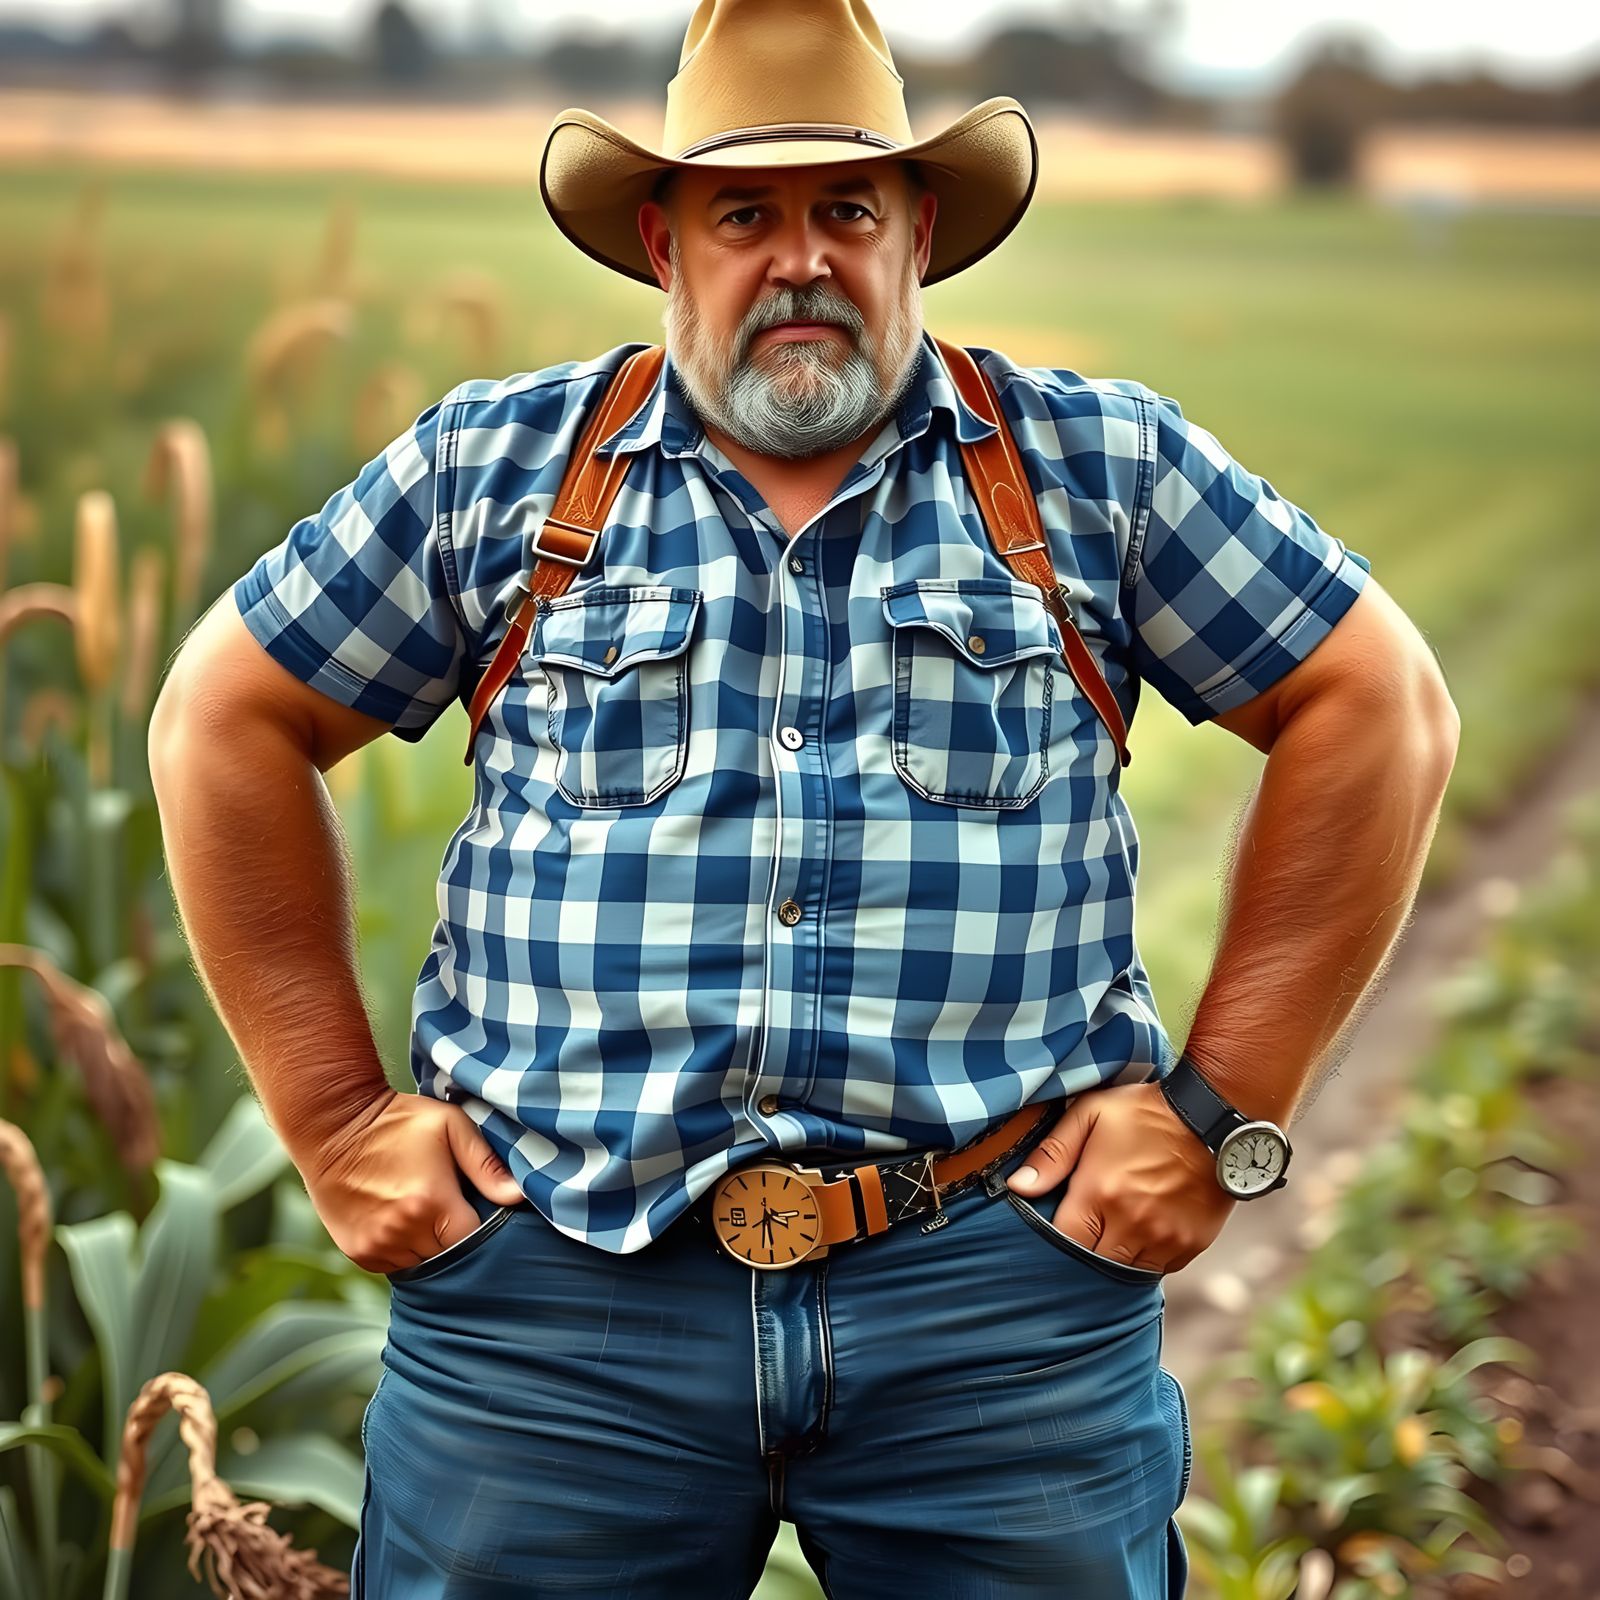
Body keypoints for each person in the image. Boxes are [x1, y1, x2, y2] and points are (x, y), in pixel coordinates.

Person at [147, 0, 1461, 1595]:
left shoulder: (1092, 473)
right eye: (743, 216)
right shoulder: (498, 475)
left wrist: (1218, 1112)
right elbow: (225, 717)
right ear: (663, 242)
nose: (801, 261)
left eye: (847, 209)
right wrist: (335, 1122)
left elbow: (1380, 706)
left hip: (994, 1314)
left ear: (920, 233)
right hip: (559, 1320)